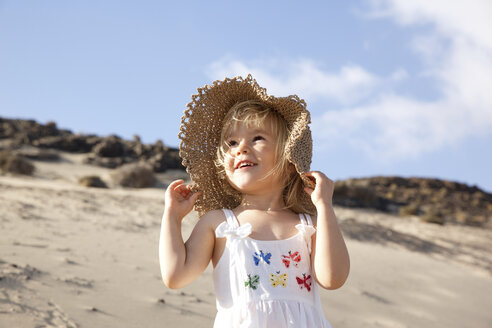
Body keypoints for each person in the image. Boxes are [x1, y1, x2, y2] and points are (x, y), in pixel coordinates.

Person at [159, 75, 350, 327]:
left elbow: (332, 278)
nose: (241, 148)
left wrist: (324, 206)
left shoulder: (308, 224)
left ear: (289, 160)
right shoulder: (220, 222)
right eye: (232, 143)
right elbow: (176, 276)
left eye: (257, 138)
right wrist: (171, 218)